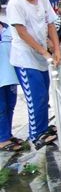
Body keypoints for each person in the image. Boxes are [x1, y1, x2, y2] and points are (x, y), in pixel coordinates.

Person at [7, 0, 60, 149]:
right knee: (34, 97)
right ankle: (36, 135)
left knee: (44, 95)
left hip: (41, 59)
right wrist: (44, 51)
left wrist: (57, 48)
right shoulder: (15, 4)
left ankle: (43, 128)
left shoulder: (43, 1)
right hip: (25, 59)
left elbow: (51, 25)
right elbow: (22, 33)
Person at [0, 21, 27, 151]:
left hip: (10, 77)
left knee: (10, 106)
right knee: (1, 108)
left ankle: (7, 134)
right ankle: (2, 139)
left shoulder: (8, 30)